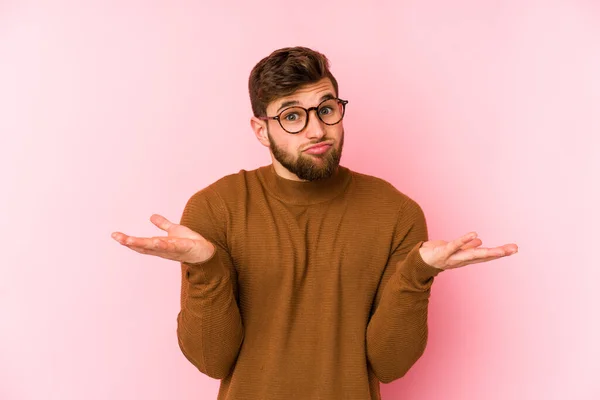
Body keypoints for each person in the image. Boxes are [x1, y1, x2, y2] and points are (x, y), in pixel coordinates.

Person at [111, 46, 518, 400]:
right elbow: (210, 360)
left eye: (326, 109)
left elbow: (390, 364)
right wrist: (206, 268)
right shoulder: (215, 208)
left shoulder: (396, 213)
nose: (317, 130)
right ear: (261, 131)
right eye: (292, 116)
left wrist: (417, 274)